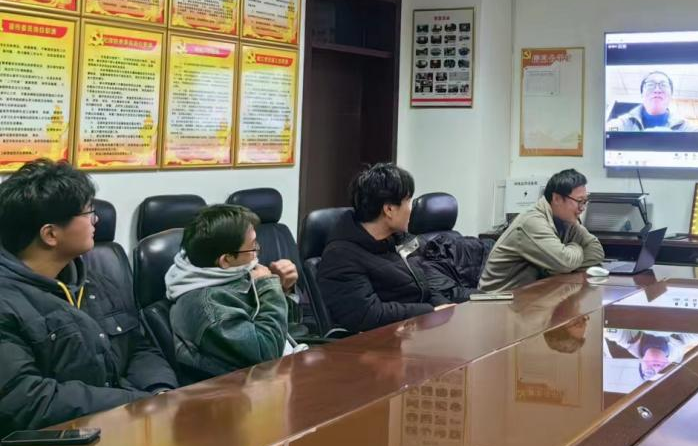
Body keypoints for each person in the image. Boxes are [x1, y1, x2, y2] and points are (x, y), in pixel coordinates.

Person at [0, 159, 177, 434]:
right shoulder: (8, 302)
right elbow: (27, 400)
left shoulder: (95, 280)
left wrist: (160, 391)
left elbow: (139, 347)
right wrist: (135, 403)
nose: (96, 220)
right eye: (88, 213)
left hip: (126, 428)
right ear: (50, 234)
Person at [165, 204, 305, 380]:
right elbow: (268, 355)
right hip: (249, 388)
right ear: (226, 259)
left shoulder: (229, 271)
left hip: (285, 370)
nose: (257, 252)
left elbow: (290, 327)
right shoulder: (208, 309)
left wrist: (284, 288)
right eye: (253, 246)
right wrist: (270, 287)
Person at [318, 163, 454, 334]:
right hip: (378, 343)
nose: (411, 209)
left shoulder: (397, 240)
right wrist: (429, 312)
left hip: (414, 334)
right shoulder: (340, 256)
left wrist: (443, 306)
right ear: (389, 209)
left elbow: (424, 286)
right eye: (408, 201)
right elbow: (369, 315)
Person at [479, 169, 605, 292]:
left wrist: (560, 266)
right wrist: (575, 247)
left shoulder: (566, 220)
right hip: (498, 299)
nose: (582, 208)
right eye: (579, 201)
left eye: (585, 201)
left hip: (531, 295)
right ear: (557, 199)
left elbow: (596, 252)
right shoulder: (532, 222)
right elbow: (564, 262)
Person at [607, 71, 690, 131]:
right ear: (642, 94)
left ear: (671, 95)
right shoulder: (623, 123)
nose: (657, 90)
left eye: (664, 85)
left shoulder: (684, 126)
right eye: (650, 84)